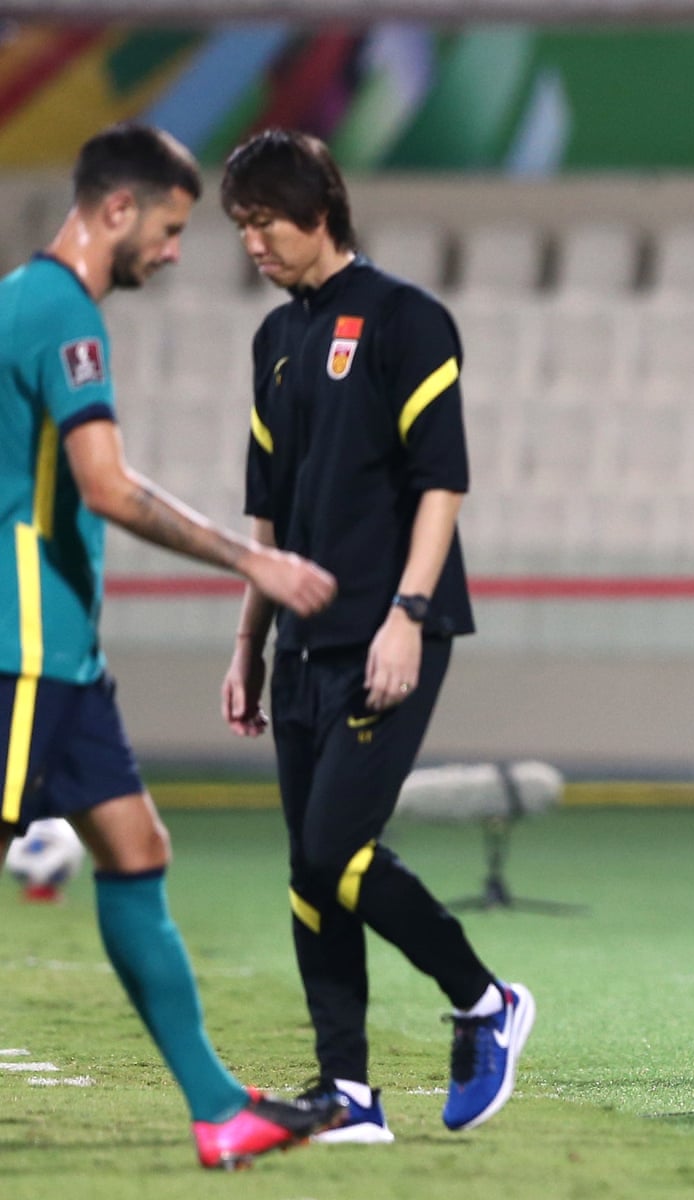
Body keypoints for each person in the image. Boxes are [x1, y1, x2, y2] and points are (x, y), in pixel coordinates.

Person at [0, 123, 349, 1167]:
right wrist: (254, 563)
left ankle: (218, 1110)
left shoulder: (24, 303)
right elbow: (107, 487)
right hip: (21, 645)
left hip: (62, 653)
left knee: (136, 850)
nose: (175, 250)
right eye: (170, 227)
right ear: (118, 209)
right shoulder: (59, 313)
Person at [218, 128, 535, 1142]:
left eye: (264, 221)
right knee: (309, 871)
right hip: (301, 645)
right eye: (241, 226)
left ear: (319, 211)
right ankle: (347, 1092)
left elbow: (442, 483)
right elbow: (267, 515)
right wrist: (248, 643)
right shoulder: (274, 340)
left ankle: (485, 1000)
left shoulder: (407, 319)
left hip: (390, 630)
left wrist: (407, 614)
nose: (252, 243)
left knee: (334, 849)